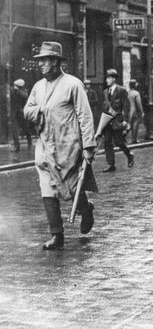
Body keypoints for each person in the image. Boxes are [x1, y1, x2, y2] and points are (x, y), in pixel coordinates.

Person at [23, 41, 96, 250]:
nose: (40, 65)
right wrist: (39, 111)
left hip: (68, 145)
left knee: (72, 187)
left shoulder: (73, 84)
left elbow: (85, 115)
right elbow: (27, 109)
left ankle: (86, 208)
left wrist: (88, 145)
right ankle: (57, 235)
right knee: (47, 187)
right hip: (45, 145)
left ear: (55, 62)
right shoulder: (38, 87)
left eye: (44, 61)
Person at [102, 69, 134, 172]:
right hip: (108, 120)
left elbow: (126, 106)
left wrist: (125, 120)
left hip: (118, 120)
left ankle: (129, 155)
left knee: (118, 141)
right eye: (106, 78)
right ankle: (111, 164)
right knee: (107, 142)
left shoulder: (121, 90)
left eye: (109, 78)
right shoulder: (105, 92)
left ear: (114, 79)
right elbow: (105, 107)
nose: (107, 80)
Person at [10, 79, 32, 152]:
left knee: (25, 129)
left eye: (15, 86)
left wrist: (18, 91)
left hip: (22, 114)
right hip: (14, 114)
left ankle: (30, 142)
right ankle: (17, 147)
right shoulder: (12, 91)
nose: (14, 87)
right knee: (14, 131)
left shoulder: (23, 92)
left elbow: (25, 97)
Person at [127, 79, 144, 144]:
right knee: (135, 124)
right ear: (135, 85)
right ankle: (134, 139)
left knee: (128, 124)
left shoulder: (127, 92)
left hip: (128, 111)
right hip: (134, 111)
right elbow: (139, 103)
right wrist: (142, 112)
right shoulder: (136, 93)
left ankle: (122, 137)